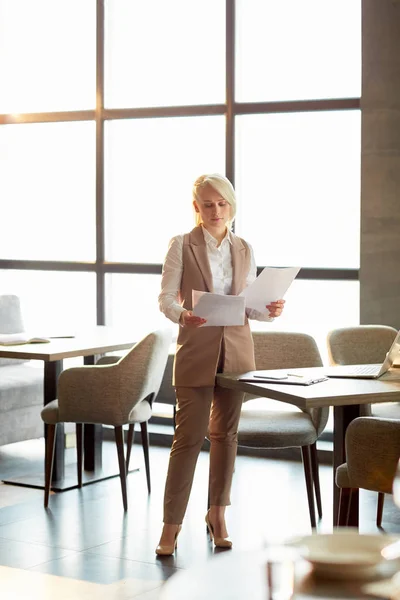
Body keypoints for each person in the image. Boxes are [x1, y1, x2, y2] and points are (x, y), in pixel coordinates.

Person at [155, 173, 285, 556]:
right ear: (196, 207)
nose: (215, 210)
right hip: (195, 350)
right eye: (207, 204)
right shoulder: (181, 245)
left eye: (222, 203)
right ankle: (171, 525)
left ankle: (217, 515)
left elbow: (250, 305)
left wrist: (270, 310)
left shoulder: (244, 247)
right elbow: (164, 298)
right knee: (187, 440)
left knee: (226, 437)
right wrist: (183, 315)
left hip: (237, 352)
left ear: (232, 206)